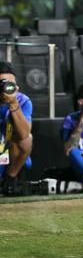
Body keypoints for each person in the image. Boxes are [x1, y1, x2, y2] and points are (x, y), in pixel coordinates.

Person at [0, 62, 33, 196]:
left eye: (10, 83)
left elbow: (24, 135)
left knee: (27, 139)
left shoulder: (22, 100)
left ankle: (10, 179)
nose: (6, 87)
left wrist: (13, 104)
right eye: (2, 83)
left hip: (9, 155)